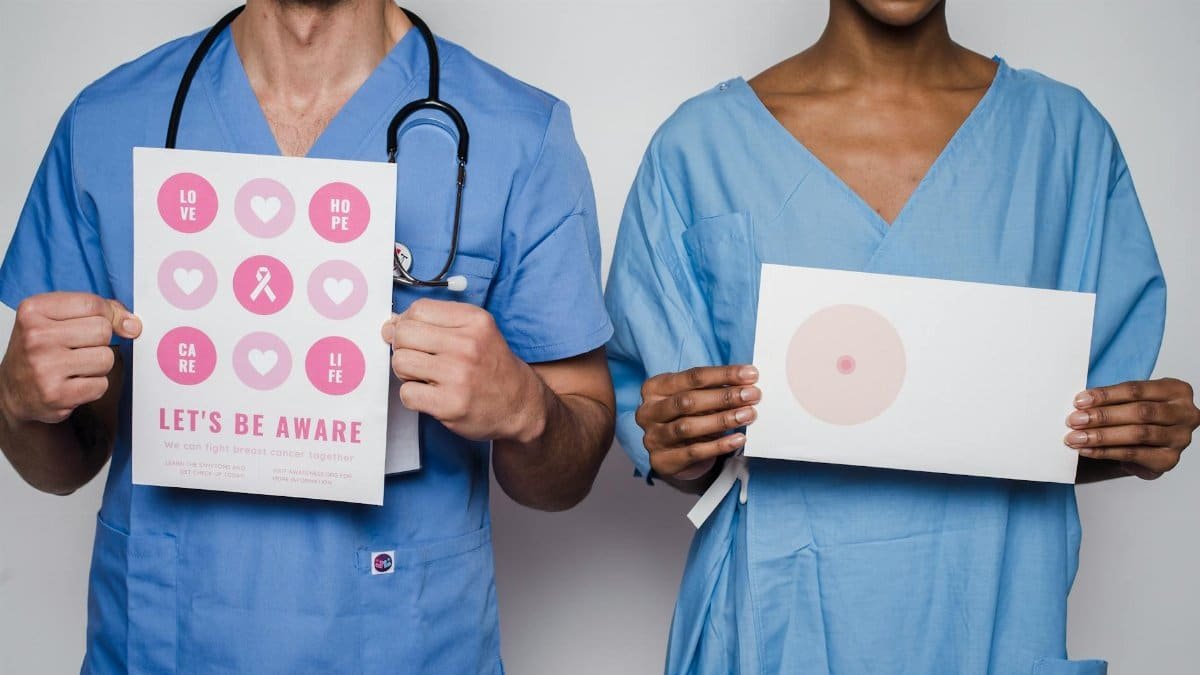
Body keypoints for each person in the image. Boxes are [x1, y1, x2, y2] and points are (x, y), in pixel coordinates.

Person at [0, 1, 614, 672]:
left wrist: (527, 410)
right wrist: (19, 405)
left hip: (407, 646)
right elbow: (62, 463)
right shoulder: (106, 122)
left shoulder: (520, 138)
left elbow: (568, 473)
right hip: (163, 642)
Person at [605, 0, 1198, 673]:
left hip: (995, 620)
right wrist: (681, 443)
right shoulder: (698, 150)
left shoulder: (1065, 142)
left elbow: (1063, 426)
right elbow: (683, 445)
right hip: (773, 628)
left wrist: (1134, 434)